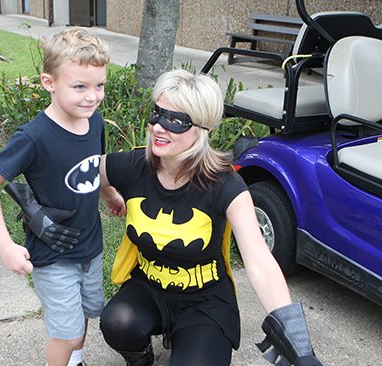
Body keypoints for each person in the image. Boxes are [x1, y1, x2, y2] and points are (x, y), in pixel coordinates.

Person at [99, 69, 323, 366]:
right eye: (157, 113)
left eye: (176, 121)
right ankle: (140, 357)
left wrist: (299, 345)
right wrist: (110, 195)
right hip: (149, 287)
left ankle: (192, 339)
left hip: (205, 301)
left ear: (202, 128)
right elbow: (90, 170)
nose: (158, 127)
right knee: (117, 321)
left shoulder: (224, 185)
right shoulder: (132, 165)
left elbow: (260, 262)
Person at [0, 27, 112, 366]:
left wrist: (108, 191)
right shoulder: (34, 137)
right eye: (79, 86)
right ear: (49, 83)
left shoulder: (93, 122)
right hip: (53, 254)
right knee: (63, 334)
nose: (92, 96)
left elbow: (97, 163)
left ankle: (75, 360)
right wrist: (5, 246)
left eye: (99, 86)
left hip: (90, 247)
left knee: (87, 311)